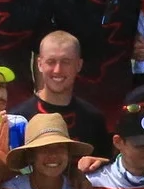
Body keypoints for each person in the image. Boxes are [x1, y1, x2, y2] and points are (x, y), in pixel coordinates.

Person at [26, 30, 113, 160]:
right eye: (51, 62)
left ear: (79, 65)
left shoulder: (94, 119)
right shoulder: (21, 118)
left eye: (66, 62)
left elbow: (105, 171)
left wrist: (101, 163)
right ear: (39, 64)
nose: (57, 70)